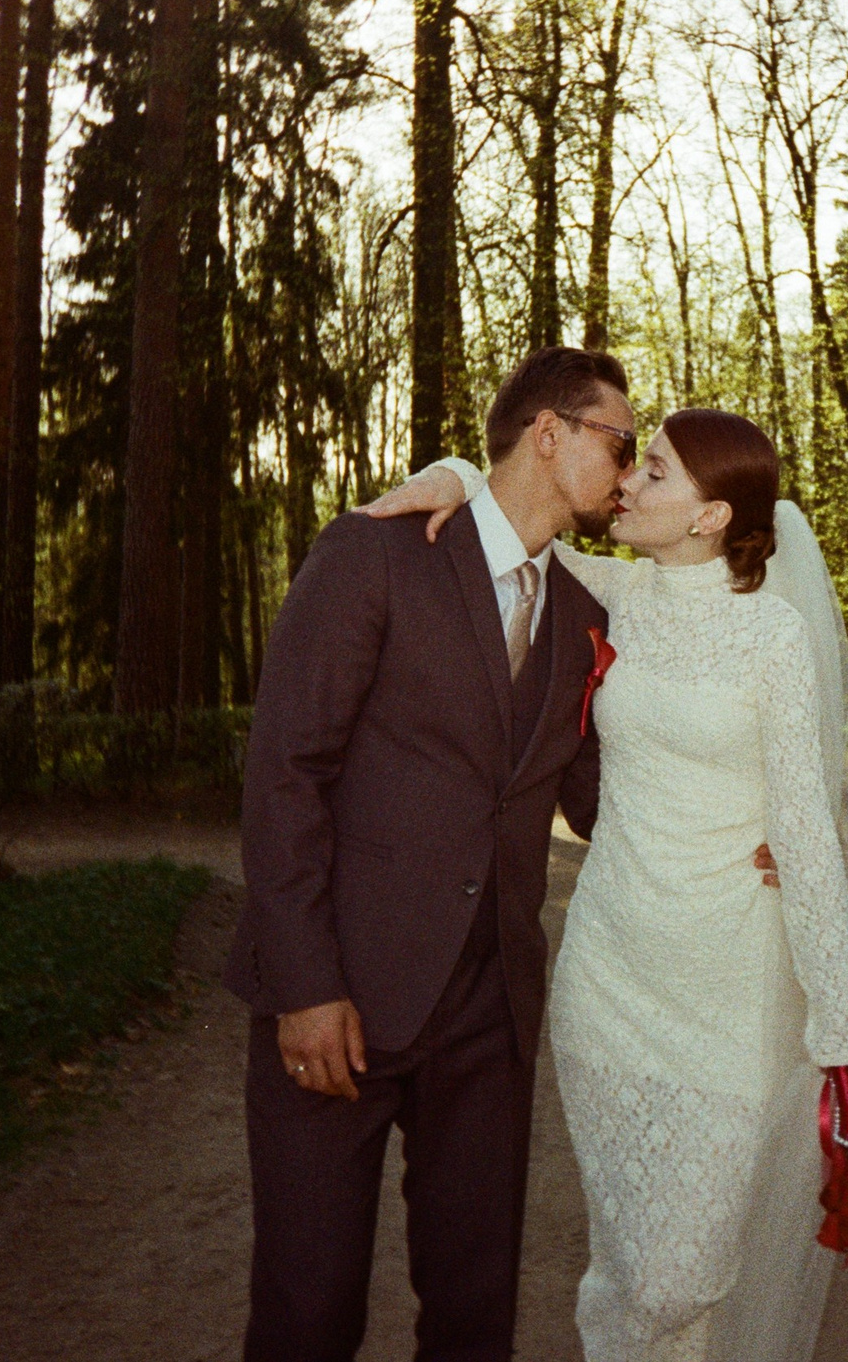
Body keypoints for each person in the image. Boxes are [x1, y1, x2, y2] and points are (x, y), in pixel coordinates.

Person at [369, 408, 848, 1362]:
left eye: (655, 472)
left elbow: (806, 832)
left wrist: (844, 1023)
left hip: (726, 991)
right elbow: (514, 520)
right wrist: (454, 470)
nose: (627, 484)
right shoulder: (616, 591)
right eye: (635, 464)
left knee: (683, 1274)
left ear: (710, 516)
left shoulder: (773, 638)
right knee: (631, 1259)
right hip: (609, 979)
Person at [224, 345, 634, 1362]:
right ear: (550, 433)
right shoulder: (374, 554)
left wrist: (737, 830)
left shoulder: (586, 612)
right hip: (341, 1000)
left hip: (488, 1017)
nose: (629, 470)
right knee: (310, 1314)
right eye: (620, 444)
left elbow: (600, 800)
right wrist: (304, 986)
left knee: (473, 1321)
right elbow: (284, 773)